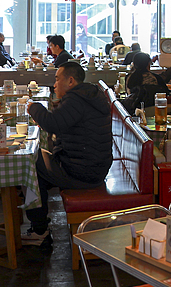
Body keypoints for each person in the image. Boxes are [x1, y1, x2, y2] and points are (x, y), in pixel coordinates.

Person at [23, 62, 113, 245]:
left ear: (70, 81)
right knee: (37, 161)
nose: (54, 85)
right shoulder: (88, 96)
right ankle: (38, 223)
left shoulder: (76, 100)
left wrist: (33, 106)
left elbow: (52, 123)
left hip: (82, 172)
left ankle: (39, 230)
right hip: (93, 167)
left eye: (57, 79)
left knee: (29, 164)